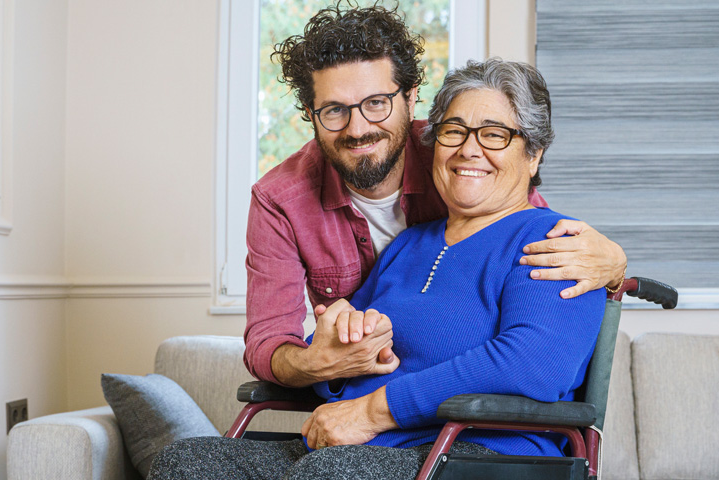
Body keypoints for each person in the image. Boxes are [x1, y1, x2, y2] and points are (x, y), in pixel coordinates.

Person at [101, 59, 605, 480]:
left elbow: (534, 364)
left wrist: (373, 410)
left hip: (486, 468)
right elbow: (338, 367)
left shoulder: (554, 243)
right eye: (453, 131)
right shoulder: (411, 246)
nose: (469, 149)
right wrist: (339, 349)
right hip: (375, 463)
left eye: (495, 134)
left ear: (532, 154)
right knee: (191, 472)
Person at [244, 2, 626, 389]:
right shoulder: (281, 200)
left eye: (377, 103)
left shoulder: (458, 159)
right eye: (334, 110)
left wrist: (614, 262)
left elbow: (521, 226)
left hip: (440, 432)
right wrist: (316, 363)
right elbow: (269, 341)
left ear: (410, 98)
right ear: (310, 113)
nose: (358, 128)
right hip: (363, 420)